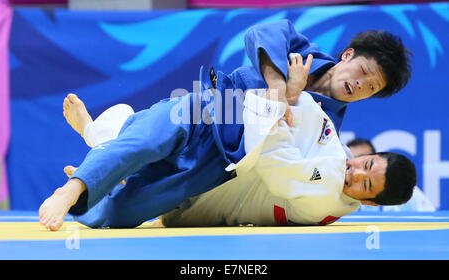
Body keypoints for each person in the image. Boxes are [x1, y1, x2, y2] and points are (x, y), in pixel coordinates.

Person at [39, 20, 412, 230]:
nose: (360, 85)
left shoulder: (327, 133)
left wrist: (296, 100)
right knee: (145, 140)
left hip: (221, 164)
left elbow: (287, 170)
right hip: (216, 105)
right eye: (363, 72)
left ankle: (98, 154)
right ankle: (71, 189)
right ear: (347, 56)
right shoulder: (305, 52)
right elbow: (263, 33)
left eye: (371, 88)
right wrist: (281, 87)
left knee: (123, 213)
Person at [45, 87, 416, 228]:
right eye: (365, 164)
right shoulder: (337, 152)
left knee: (116, 216)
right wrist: (289, 97)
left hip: (200, 202)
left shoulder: (327, 200)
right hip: (215, 156)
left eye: (364, 184)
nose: (354, 172)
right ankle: (93, 159)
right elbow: (305, 105)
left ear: (370, 202)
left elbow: (277, 170)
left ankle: (99, 154)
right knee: (144, 140)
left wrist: (276, 112)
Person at [346, 138, 436, 212]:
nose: (355, 173)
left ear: (368, 202)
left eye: (366, 165)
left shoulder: (411, 197)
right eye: (348, 156)